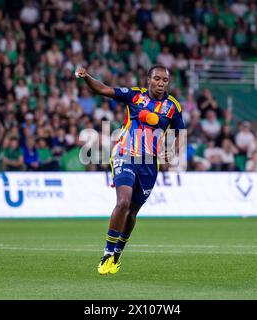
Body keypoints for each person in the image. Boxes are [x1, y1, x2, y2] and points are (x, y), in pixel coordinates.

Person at [76, 64, 185, 275]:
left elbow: (180, 133)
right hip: (124, 154)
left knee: (132, 212)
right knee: (123, 202)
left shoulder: (173, 107)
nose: (161, 83)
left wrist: (171, 154)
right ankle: (107, 253)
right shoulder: (135, 96)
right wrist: (87, 76)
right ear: (148, 80)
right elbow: (103, 89)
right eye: (157, 79)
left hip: (150, 164)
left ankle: (117, 253)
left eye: (165, 80)